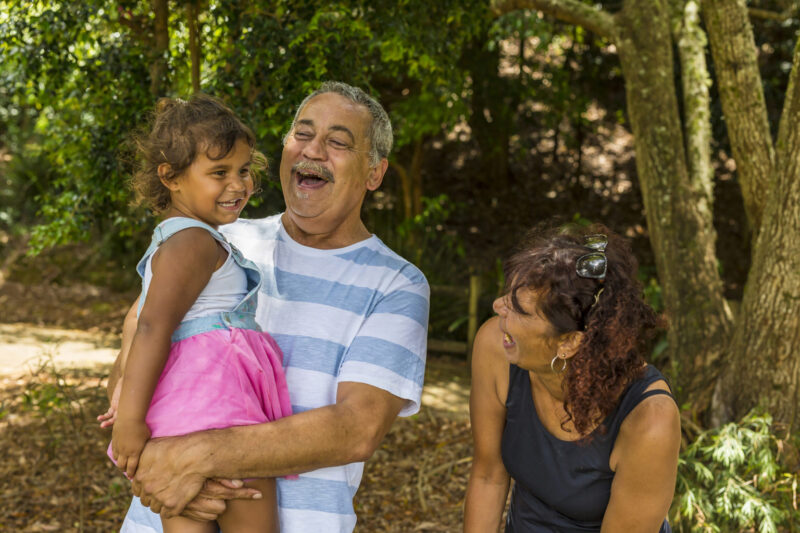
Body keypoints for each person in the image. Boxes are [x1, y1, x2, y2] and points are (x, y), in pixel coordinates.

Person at [105, 81, 430, 532]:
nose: (311, 150)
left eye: (337, 142)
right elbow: (138, 342)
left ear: (374, 173)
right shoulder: (218, 241)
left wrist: (192, 461)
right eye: (302, 134)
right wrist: (154, 465)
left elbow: (358, 427)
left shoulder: (396, 283)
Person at [98, 94, 292, 533]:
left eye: (244, 170)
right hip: (220, 410)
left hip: (182, 415)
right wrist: (128, 422)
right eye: (219, 173)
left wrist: (132, 405)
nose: (239, 185)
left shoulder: (179, 239)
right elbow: (151, 327)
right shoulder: (194, 242)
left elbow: (139, 325)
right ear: (171, 177)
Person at [464, 224, 680, 532]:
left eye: (520, 310)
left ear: (569, 343)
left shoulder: (649, 420)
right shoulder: (497, 345)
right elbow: (488, 476)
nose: (499, 306)